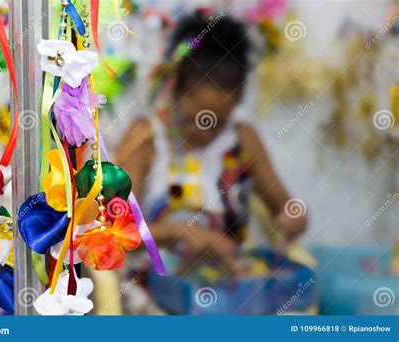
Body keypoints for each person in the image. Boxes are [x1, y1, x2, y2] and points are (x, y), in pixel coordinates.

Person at [116, 10, 307, 277]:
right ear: (174, 90)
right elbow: (113, 231)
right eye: (196, 120)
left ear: (238, 101)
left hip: (228, 283)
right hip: (157, 291)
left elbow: (286, 207)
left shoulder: (243, 139)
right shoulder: (146, 136)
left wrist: (294, 218)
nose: (206, 131)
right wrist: (178, 231)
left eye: (217, 123)